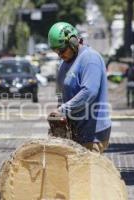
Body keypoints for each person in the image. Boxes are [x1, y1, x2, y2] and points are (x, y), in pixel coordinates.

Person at [48, 22, 112, 153]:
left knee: (87, 172)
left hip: (92, 134)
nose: (59, 55)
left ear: (73, 42)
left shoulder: (90, 59)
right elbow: (60, 92)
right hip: (76, 132)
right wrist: (59, 115)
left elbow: (89, 92)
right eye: (56, 51)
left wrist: (63, 109)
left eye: (61, 50)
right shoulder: (64, 64)